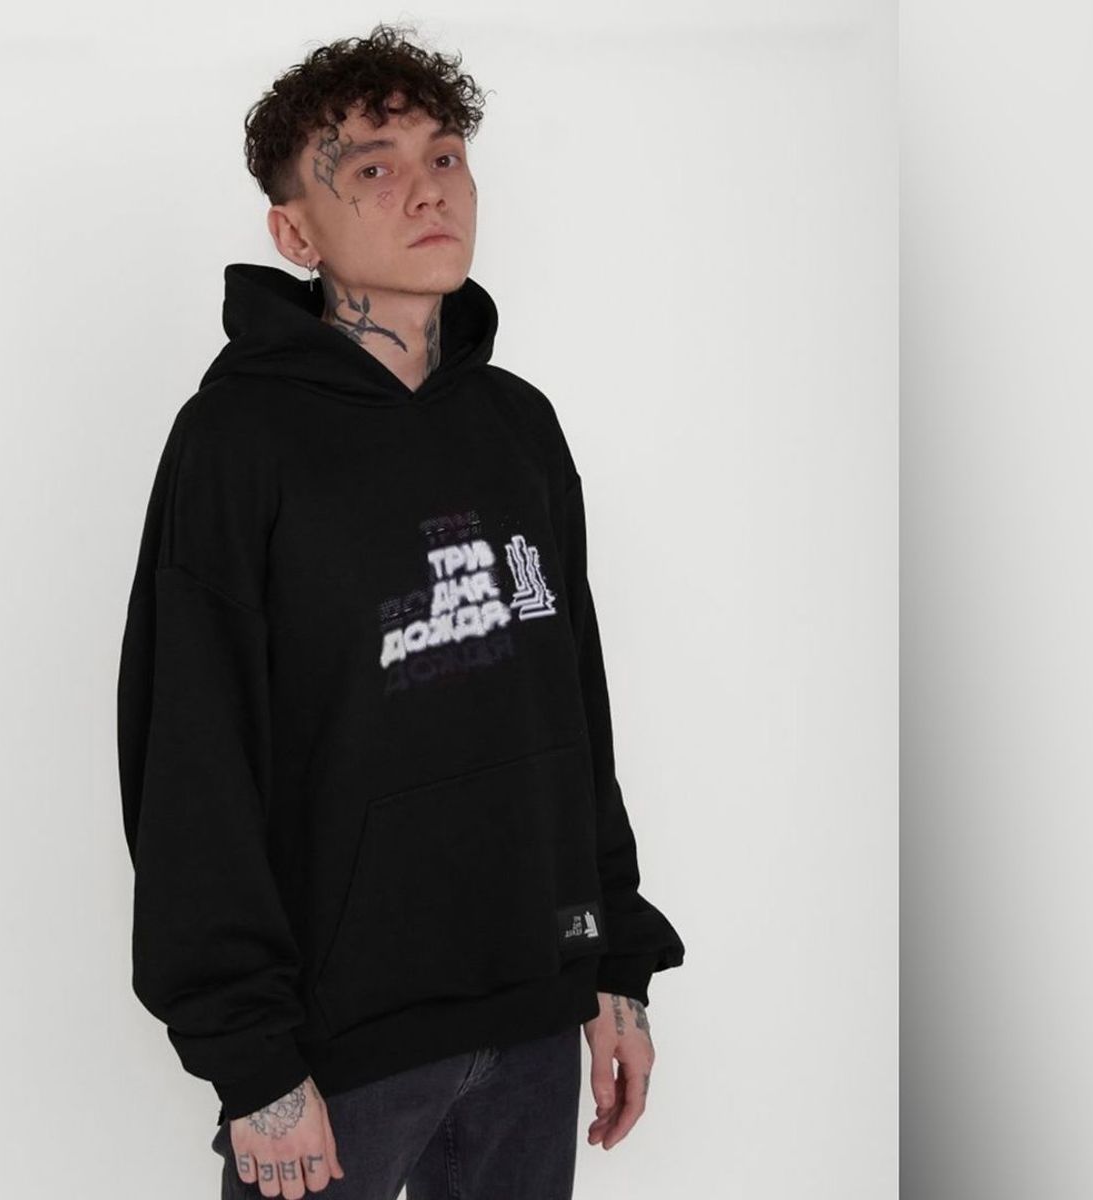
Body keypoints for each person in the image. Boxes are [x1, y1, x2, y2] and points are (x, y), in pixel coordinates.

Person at [116, 22, 686, 1199]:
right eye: (372, 167)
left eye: (444, 156)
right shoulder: (236, 444)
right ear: (294, 232)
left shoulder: (517, 426)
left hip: (533, 1020)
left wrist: (612, 962)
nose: (427, 190)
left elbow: (571, 713)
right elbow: (189, 763)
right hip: (337, 1061)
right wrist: (251, 1064)